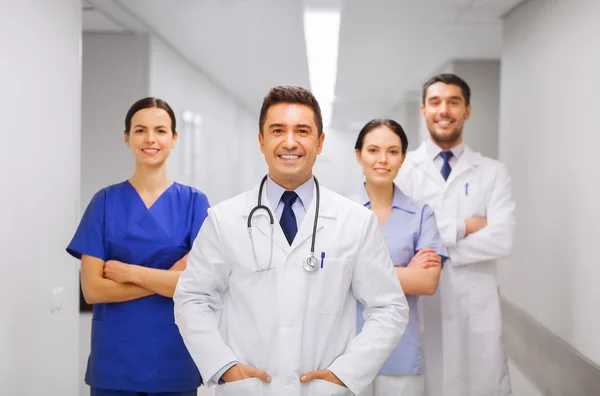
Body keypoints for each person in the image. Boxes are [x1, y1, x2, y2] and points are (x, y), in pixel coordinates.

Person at [174, 86, 409, 396]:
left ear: (320, 142)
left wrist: (345, 374)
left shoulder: (355, 222)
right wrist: (224, 366)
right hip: (249, 389)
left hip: (324, 391)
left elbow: (389, 308)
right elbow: (192, 298)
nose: (289, 142)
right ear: (261, 140)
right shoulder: (224, 219)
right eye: (277, 130)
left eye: (302, 131)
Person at [66, 97, 209, 396]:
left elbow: (196, 285)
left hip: (173, 359)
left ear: (174, 139)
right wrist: (165, 279)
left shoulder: (195, 204)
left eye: (160, 130)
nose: (150, 139)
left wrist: (127, 271)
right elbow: (93, 290)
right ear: (127, 138)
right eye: (140, 130)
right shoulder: (104, 203)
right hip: (114, 362)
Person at [396, 73, 516, 396]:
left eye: (453, 101)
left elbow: (501, 239)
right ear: (423, 110)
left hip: (476, 309)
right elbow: (400, 243)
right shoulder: (404, 171)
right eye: (435, 102)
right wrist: (464, 226)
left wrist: (433, 246)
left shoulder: (492, 172)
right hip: (423, 309)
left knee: (480, 385)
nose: (444, 109)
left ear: (467, 110)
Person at [352, 119, 448, 396]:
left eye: (393, 151)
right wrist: (406, 272)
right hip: (347, 350)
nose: (383, 159)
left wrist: (359, 273)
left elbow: (428, 282)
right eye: (373, 150)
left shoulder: (421, 214)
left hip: (401, 350)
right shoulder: (342, 212)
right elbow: (334, 277)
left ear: (403, 158)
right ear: (359, 155)